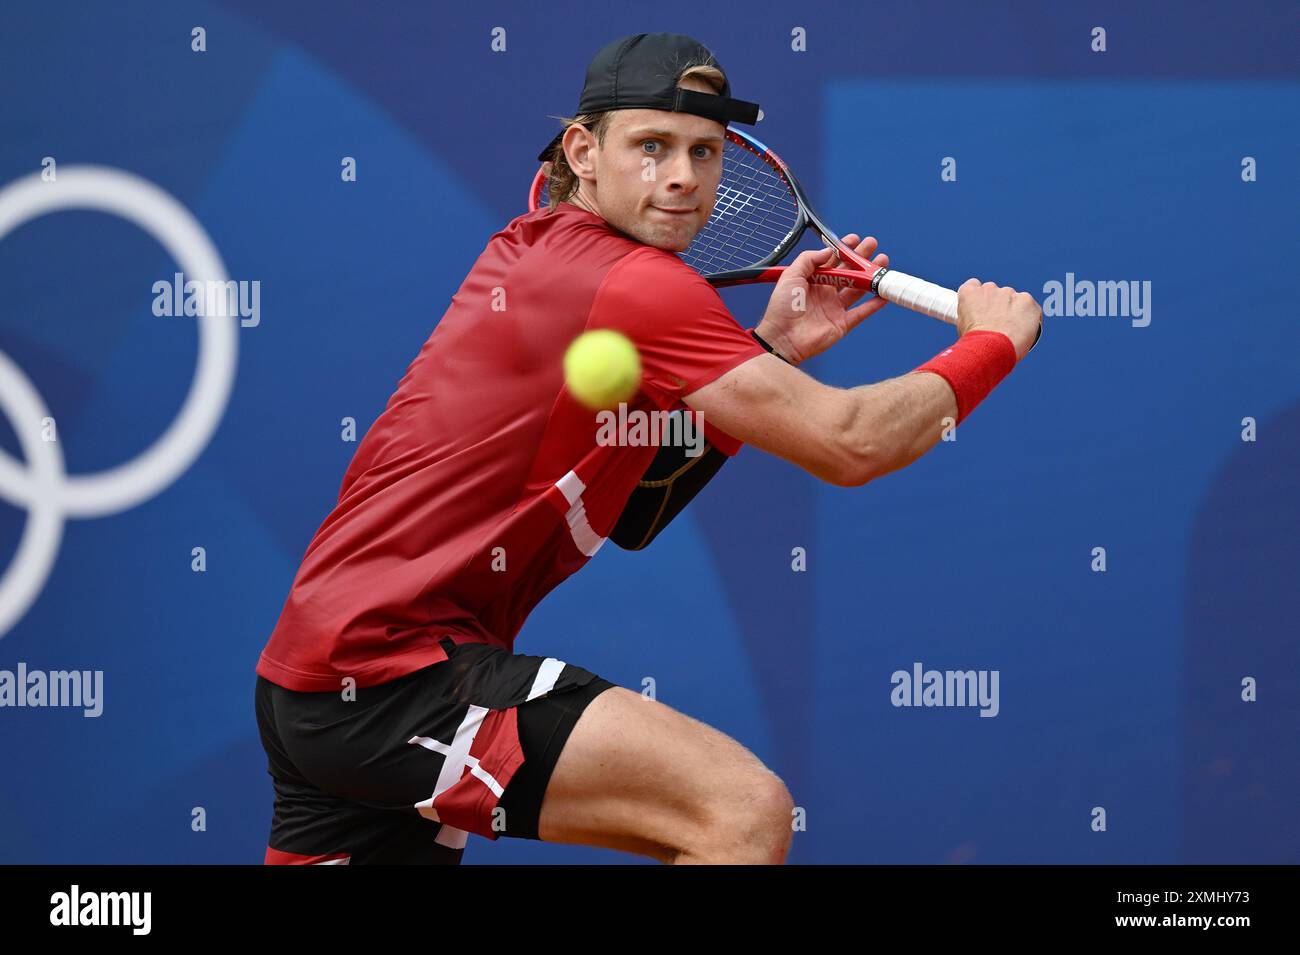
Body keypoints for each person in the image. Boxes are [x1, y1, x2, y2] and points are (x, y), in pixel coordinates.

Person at [253, 32, 1042, 865]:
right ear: (583, 152)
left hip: (316, 682)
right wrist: (989, 343)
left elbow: (631, 511)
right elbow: (851, 445)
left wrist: (769, 355)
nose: (683, 176)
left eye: (705, 152)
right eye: (653, 145)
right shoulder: (640, 285)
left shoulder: (545, 250)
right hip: (392, 676)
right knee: (737, 812)